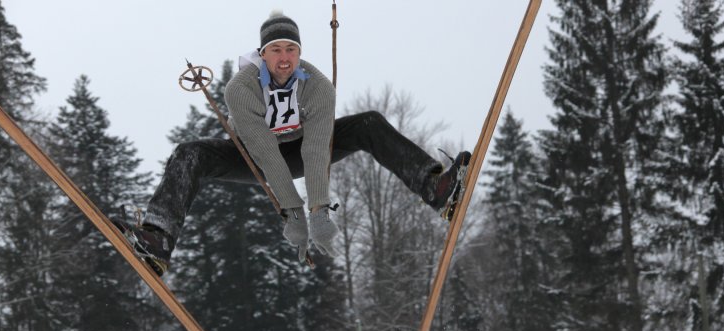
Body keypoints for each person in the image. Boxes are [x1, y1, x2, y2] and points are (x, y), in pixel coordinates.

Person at [113, 10, 471, 275]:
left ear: (299, 53)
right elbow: (267, 154)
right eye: (275, 50)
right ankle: (158, 238)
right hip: (253, 156)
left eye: (291, 49)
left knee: (369, 124)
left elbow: (316, 150)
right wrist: (293, 213)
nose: (284, 58)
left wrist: (317, 211)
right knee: (189, 154)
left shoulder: (316, 86)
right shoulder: (241, 88)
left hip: (304, 149)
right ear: (262, 54)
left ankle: (435, 188)